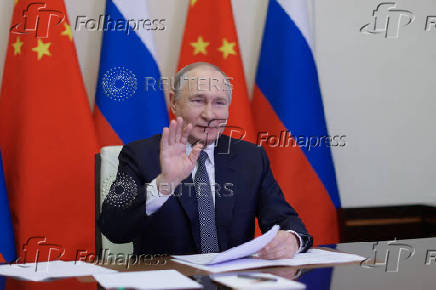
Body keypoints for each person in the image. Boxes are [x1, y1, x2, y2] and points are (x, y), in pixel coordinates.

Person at [98, 62, 313, 259]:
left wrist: (292, 239)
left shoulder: (251, 158)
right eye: (198, 101)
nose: (210, 114)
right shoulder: (140, 154)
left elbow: (285, 220)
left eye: (219, 103)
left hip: (233, 281)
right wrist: (164, 185)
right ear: (174, 102)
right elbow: (113, 228)